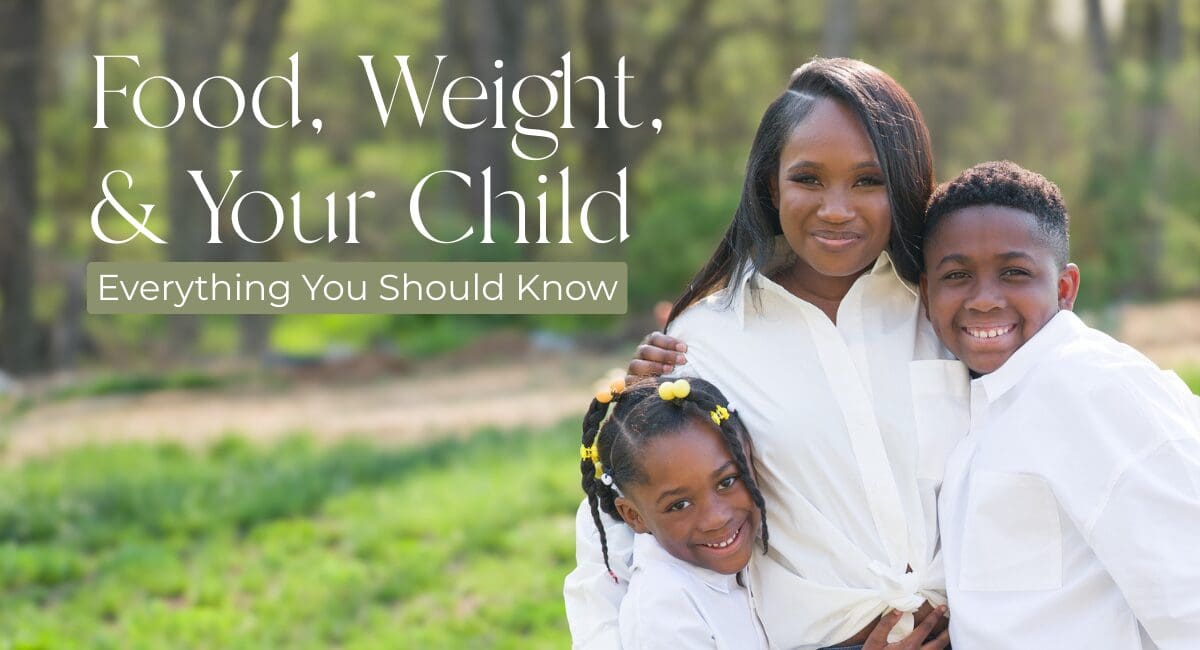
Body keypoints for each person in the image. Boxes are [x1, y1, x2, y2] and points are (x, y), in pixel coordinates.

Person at [566, 57, 961, 650]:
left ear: (903, 183)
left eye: (867, 180)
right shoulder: (703, 340)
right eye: (808, 179)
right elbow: (621, 541)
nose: (836, 208)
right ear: (770, 185)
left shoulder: (944, 310)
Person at [919, 161, 1200, 649]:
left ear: (1064, 288)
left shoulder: (1093, 387)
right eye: (958, 275)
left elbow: (1189, 596)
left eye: (1014, 273)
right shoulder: (985, 402)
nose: (984, 300)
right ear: (926, 295)